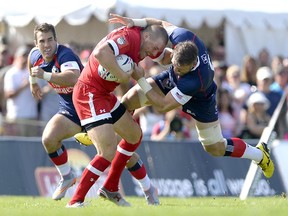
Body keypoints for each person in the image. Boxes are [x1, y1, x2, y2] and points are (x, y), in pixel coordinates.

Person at [108, 14, 274, 182]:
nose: (177, 71)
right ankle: (105, 129)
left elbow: (163, 106)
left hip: (201, 100)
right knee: (130, 98)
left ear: (192, 64)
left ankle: (260, 155)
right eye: (175, 66)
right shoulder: (182, 36)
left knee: (215, 147)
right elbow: (160, 23)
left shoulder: (196, 80)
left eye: (181, 70)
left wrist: (141, 79)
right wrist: (135, 22)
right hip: (176, 80)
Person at [28, 23, 160, 205]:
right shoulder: (35, 55)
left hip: (95, 97)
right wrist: (33, 82)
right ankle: (70, 184)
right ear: (36, 44)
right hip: (79, 104)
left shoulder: (65, 55)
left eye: (50, 39)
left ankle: (145, 189)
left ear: (56, 40)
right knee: (50, 139)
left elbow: (73, 77)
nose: (47, 44)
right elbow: (31, 63)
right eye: (42, 41)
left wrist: (45, 76)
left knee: (132, 138)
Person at [67, 22, 168, 207]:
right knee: (107, 151)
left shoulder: (140, 40)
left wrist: (143, 21)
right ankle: (75, 201)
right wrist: (123, 76)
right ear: (146, 37)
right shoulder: (131, 37)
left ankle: (111, 187)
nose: (154, 53)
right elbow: (100, 53)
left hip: (104, 94)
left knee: (134, 135)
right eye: (154, 47)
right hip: (89, 92)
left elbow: (159, 25)